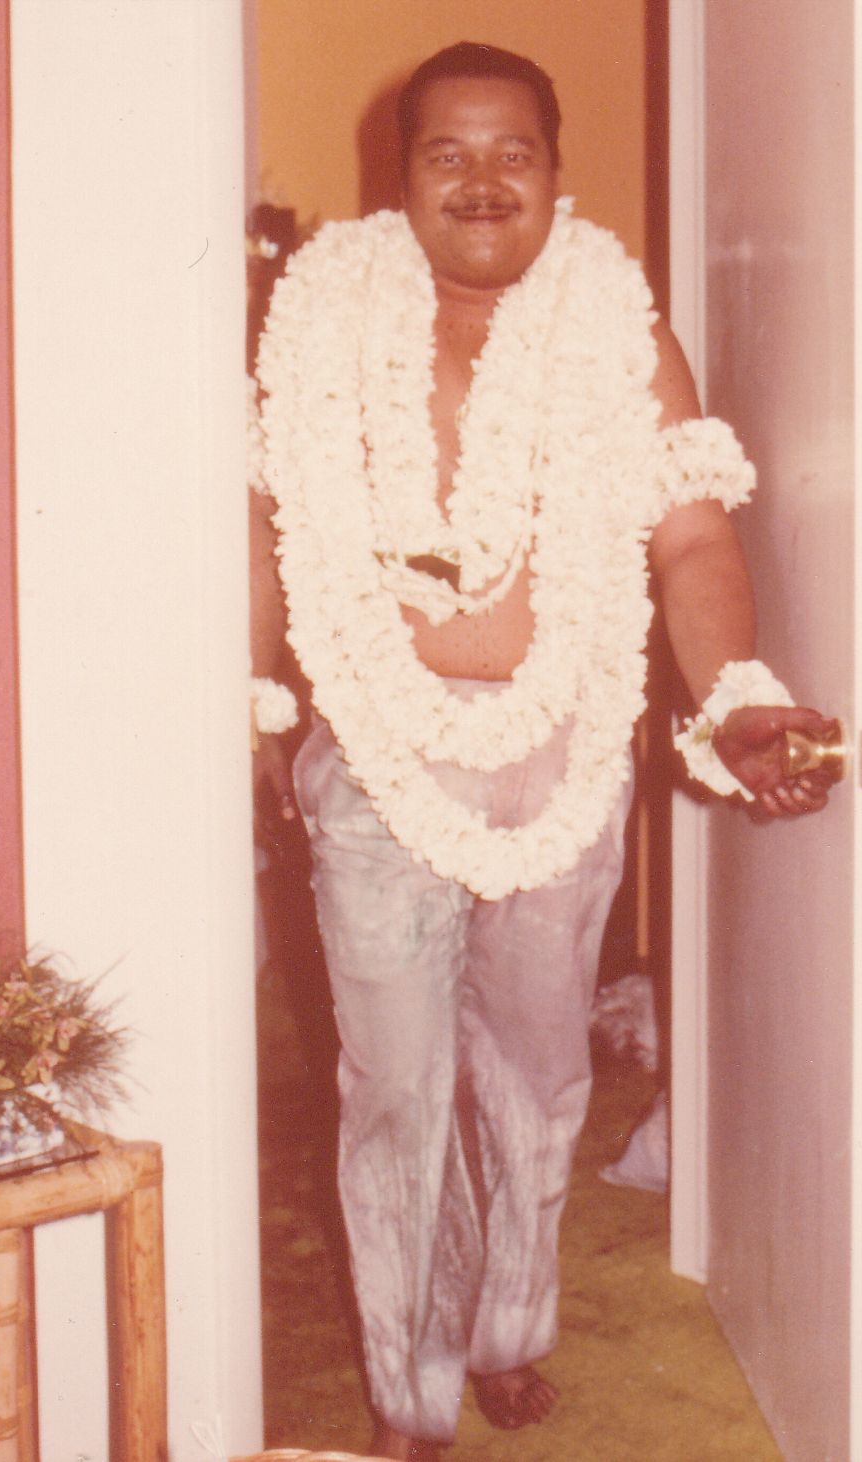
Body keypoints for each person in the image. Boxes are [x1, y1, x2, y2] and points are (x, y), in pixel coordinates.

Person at [248, 42, 838, 1461]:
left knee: (535, 1072)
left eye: (512, 151)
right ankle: (407, 1389)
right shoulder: (321, 317)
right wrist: (253, 704)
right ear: (400, 177)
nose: (481, 180)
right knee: (393, 1087)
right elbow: (263, 528)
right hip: (376, 751)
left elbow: (690, 537)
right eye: (447, 152)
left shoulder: (620, 330)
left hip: (562, 753)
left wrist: (737, 695)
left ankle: (508, 1323)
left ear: (555, 172)